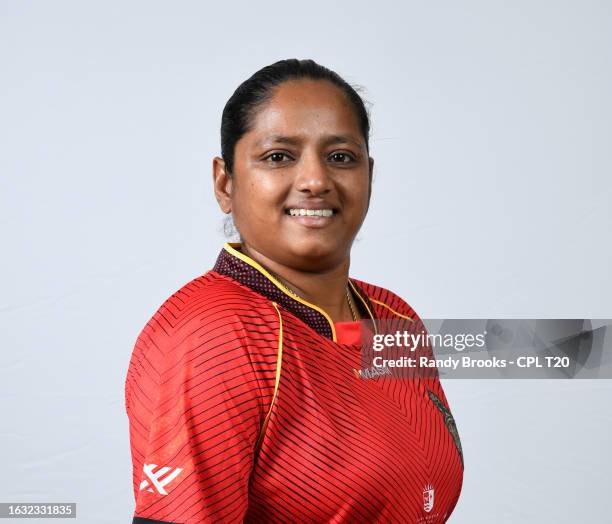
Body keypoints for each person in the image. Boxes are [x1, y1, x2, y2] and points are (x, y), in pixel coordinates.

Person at [125, 58, 463, 524]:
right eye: (278, 156)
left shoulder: (393, 316)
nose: (315, 181)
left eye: (341, 156)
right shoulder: (214, 336)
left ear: (369, 174)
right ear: (225, 183)